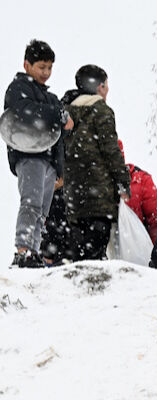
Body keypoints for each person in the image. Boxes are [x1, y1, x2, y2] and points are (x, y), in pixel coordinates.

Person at [5, 39, 73, 267]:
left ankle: (34, 251)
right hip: (29, 155)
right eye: (41, 67)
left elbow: (60, 134)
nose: (46, 72)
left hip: (48, 160)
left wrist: (59, 168)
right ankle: (23, 248)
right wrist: (57, 114)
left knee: (43, 211)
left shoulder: (50, 98)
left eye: (49, 68)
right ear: (27, 65)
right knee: (30, 203)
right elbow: (24, 111)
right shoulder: (19, 89)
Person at [61, 64, 129, 261]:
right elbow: (111, 149)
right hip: (99, 194)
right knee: (96, 254)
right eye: (106, 86)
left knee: (78, 254)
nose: (107, 91)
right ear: (100, 87)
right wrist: (123, 179)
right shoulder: (101, 110)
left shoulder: (66, 112)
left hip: (74, 195)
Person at [118, 140, 157, 243]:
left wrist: (156, 252)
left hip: (137, 247)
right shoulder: (141, 180)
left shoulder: (141, 180)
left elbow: (154, 222)